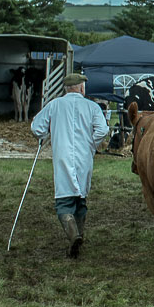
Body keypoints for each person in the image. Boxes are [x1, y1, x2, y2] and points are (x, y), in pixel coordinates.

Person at [31, 72, 109, 258]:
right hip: (84, 158)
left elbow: (36, 128)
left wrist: (45, 134)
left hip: (62, 156)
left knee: (64, 199)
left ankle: (73, 234)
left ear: (66, 88)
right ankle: (78, 234)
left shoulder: (55, 105)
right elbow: (103, 130)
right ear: (82, 88)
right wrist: (91, 144)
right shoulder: (92, 107)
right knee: (80, 198)